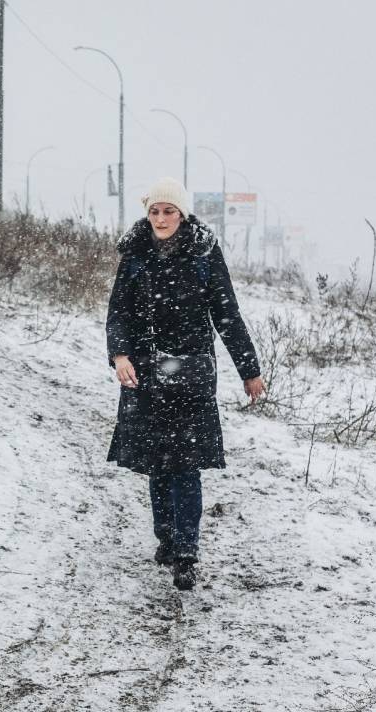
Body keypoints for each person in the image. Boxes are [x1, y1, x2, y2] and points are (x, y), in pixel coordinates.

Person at [105, 176, 266, 591]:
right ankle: (166, 537)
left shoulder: (204, 255)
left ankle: (187, 550)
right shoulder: (135, 255)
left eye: (169, 211)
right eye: (155, 211)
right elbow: (118, 312)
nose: (161, 218)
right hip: (144, 373)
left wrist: (249, 370)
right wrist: (120, 355)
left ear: (182, 213)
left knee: (186, 465)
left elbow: (226, 315)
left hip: (190, 374)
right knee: (156, 463)